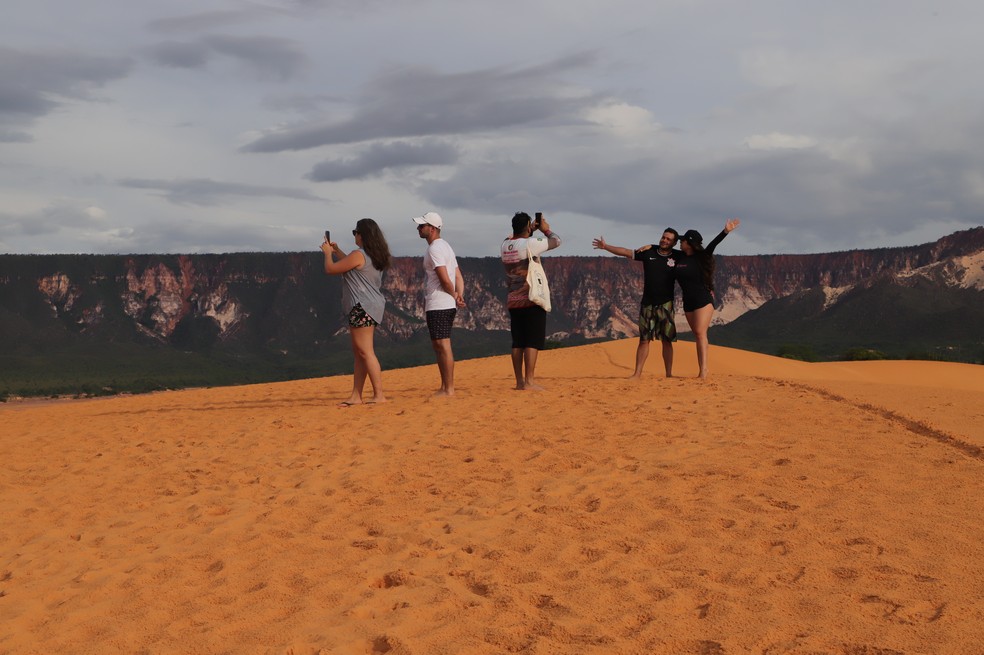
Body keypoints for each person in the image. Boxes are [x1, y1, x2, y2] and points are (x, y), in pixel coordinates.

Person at [320, 218, 392, 406]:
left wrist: (328, 253)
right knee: (360, 352)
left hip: (362, 306)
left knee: (366, 351)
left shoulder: (359, 254)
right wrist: (337, 251)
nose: (355, 235)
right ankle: (356, 396)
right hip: (370, 306)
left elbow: (331, 269)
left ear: (362, 235)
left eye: (356, 232)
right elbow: (352, 268)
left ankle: (379, 395)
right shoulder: (372, 255)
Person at [592, 228, 680, 378]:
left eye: (668, 239)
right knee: (644, 340)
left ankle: (669, 375)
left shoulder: (679, 256)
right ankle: (637, 373)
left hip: (666, 304)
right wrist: (605, 246)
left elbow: (697, 254)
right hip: (647, 303)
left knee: (667, 341)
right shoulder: (648, 252)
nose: (664, 240)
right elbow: (626, 252)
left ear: (674, 243)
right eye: (663, 237)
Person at [500, 212, 561, 390]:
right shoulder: (530, 244)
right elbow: (556, 242)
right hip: (531, 298)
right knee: (532, 341)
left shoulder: (505, 245)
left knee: (518, 341)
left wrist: (529, 229)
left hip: (513, 298)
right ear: (528, 226)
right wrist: (546, 230)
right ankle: (530, 381)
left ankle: (519, 382)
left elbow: (512, 238)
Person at [674, 218, 741, 379]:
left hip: (703, 299)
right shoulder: (679, 257)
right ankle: (702, 368)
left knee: (700, 332)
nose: (680, 242)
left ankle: (704, 370)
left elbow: (713, 245)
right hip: (688, 301)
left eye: (682, 240)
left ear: (689, 243)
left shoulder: (702, 257)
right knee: (697, 334)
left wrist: (725, 231)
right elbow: (662, 251)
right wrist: (649, 247)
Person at [412, 211, 466, 397]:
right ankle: (445, 386)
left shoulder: (435, 248)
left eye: (422, 225)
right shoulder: (446, 247)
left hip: (439, 303)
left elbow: (444, 277)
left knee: (443, 345)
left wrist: (455, 296)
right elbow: (458, 276)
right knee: (440, 345)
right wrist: (458, 295)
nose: (418, 228)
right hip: (445, 302)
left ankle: (448, 388)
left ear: (432, 228)